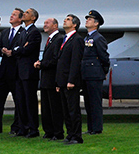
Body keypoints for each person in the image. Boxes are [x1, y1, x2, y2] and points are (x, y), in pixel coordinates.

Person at [0, 8, 24, 135]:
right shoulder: (5, 32)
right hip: (3, 71)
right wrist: (2, 51)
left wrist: (12, 52)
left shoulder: (23, 32)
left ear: (20, 19)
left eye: (14, 15)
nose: (11, 17)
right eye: (11, 14)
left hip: (16, 71)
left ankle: (16, 126)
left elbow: (23, 48)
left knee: (18, 100)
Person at [12, 8, 41, 138]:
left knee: (30, 101)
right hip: (19, 71)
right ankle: (23, 128)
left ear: (33, 18)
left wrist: (20, 49)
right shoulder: (23, 32)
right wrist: (20, 48)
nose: (24, 14)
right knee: (20, 101)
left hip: (29, 72)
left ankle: (33, 129)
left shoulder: (34, 32)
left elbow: (27, 50)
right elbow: (17, 48)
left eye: (27, 13)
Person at [56, 14, 84, 145]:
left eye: (68, 20)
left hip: (70, 81)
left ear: (74, 25)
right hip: (63, 81)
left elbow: (75, 61)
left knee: (73, 110)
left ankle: (77, 136)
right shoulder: (65, 39)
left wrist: (71, 80)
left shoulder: (77, 39)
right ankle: (70, 133)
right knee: (65, 110)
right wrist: (58, 82)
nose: (64, 21)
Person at [35, 17, 64, 140]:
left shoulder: (58, 39)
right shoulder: (50, 39)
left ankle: (58, 132)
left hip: (53, 79)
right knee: (46, 108)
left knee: (55, 108)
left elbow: (56, 60)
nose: (44, 25)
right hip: (46, 80)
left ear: (55, 26)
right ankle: (49, 131)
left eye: (48, 23)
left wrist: (41, 64)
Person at [82, 10, 110, 135]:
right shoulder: (87, 37)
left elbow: (104, 57)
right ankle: (91, 127)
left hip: (94, 74)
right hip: (86, 74)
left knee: (95, 102)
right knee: (88, 103)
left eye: (90, 19)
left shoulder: (98, 38)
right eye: (87, 18)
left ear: (96, 23)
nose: (87, 20)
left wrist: (103, 71)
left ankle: (97, 128)